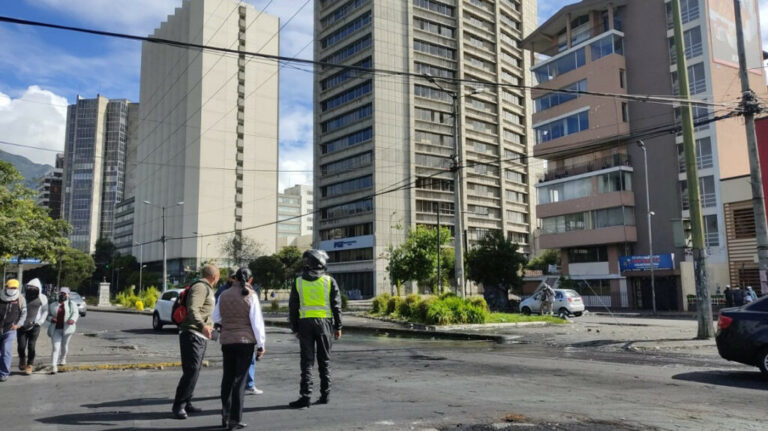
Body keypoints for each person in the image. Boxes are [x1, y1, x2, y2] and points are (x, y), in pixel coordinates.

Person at [288, 249, 342, 409]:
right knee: (324, 361)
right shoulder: (329, 281)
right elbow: (336, 305)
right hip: (324, 324)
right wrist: (338, 326)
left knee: (307, 362)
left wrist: (295, 328)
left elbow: (293, 307)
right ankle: (325, 395)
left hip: (305, 324)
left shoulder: (298, 282)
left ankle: (305, 397)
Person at [213, 267, 265, 430]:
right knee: (240, 381)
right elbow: (257, 323)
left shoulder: (224, 295)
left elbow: (216, 318)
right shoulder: (252, 296)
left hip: (227, 341)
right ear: (250, 280)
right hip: (245, 343)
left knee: (227, 378)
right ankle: (235, 419)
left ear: (234, 278)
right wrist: (261, 345)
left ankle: (225, 416)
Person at [172, 264, 219, 420]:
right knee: (191, 370)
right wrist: (202, 326)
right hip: (192, 333)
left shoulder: (207, 288)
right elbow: (193, 309)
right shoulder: (200, 287)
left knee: (195, 370)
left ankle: (187, 402)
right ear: (215, 276)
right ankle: (178, 405)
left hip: (199, 335)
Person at [17, 278, 48, 375]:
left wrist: (40, 321)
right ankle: (22, 359)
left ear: (38, 289)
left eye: (34, 288)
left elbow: (45, 311)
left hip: (35, 326)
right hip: (22, 325)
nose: (31, 290)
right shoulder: (22, 296)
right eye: (29, 288)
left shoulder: (42, 298)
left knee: (31, 346)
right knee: (21, 346)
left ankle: (30, 364)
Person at [47, 287, 78, 374]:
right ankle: (54, 365)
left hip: (67, 329)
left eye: (64, 294)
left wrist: (72, 320)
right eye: (61, 293)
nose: (62, 295)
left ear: (68, 295)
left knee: (64, 346)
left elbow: (75, 313)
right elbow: (48, 315)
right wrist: (51, 319)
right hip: (55, 329)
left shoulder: (72, 304)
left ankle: (63, 358)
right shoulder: (52, 305)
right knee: (55, 347)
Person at [0, 279, 27, 382]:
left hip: (10, 330)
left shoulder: (20, 298)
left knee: (6, 352)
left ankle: (3, 373)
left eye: (15, 288)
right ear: (6, 287)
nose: (12, 290)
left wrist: (18, 325)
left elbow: (24, 313)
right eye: (11, 287)